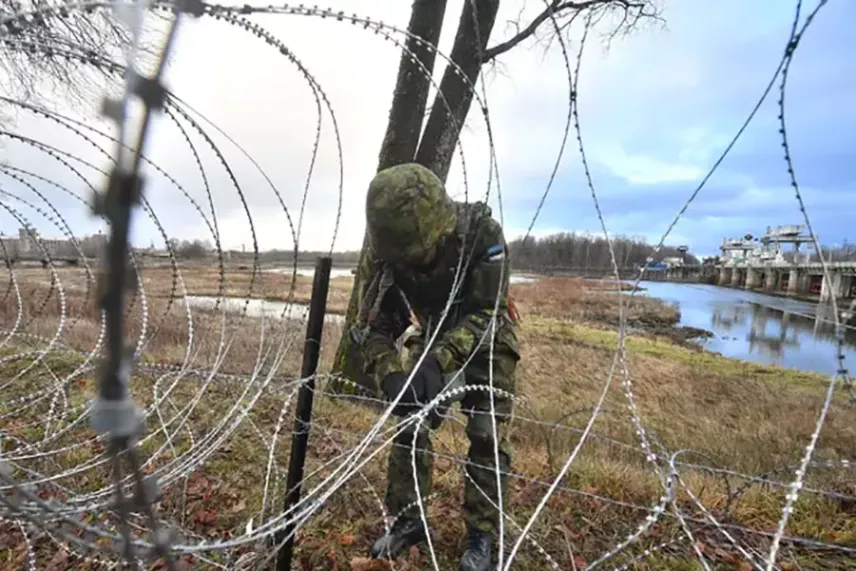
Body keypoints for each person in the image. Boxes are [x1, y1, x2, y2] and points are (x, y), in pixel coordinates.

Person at [348, 162, 520, 571]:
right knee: (411, 423)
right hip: (432, 333)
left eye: (423, 256)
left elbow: (487, 312)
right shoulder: (385, 249)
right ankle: (410, 520)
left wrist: (439, 362)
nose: (417, 265)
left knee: (486, 435)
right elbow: (370, 326)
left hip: (487, 334)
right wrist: (390, 372)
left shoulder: (482, 234)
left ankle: (482, 534)